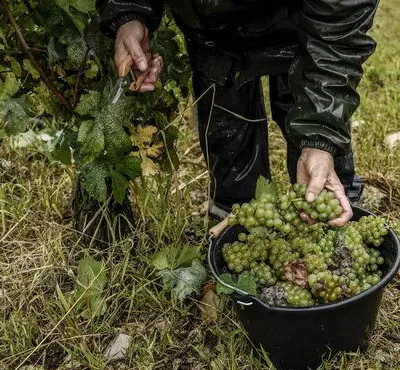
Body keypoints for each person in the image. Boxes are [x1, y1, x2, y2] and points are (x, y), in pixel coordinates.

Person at [97, 0, 378, 227]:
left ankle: (336, 220)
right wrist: (128, 13)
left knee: (315, 136)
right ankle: (235, 221)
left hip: (303, 19)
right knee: (228, 135)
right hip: (210, 27)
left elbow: (337, 32)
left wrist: (320, 139)